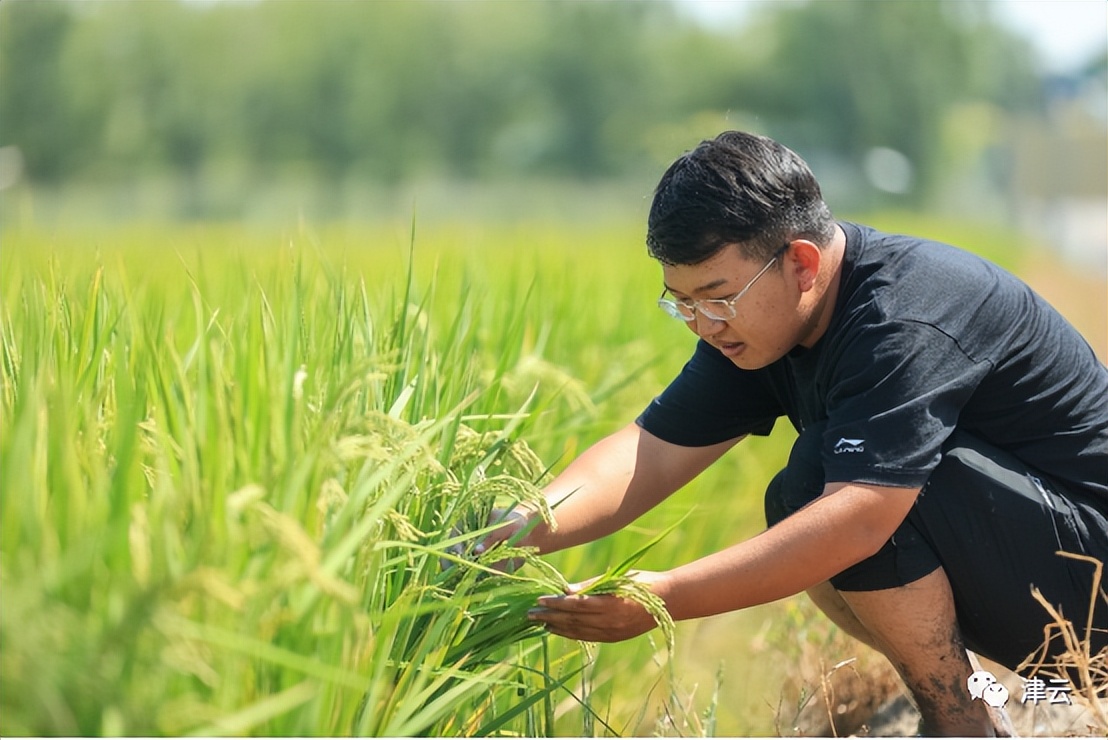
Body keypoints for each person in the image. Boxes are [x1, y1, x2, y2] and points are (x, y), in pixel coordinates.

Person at [479, 131, 1108, 736]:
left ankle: (960, 724)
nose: (702, 323)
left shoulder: (903, 316)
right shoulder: (759, 329)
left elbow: (859, 520)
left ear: (801, 264)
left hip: (1092, 577)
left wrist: (663, 597)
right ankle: (966, 713)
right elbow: (650, 453)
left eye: (716, 297)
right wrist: (512, 530)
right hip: (1041, 573)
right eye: (682, 303)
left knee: (827, 489)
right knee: (797, 497)